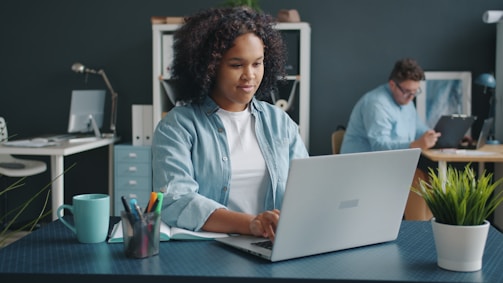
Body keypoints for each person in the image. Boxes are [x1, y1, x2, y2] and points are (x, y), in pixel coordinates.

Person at [152, 7, 309, 242]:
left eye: (257, 63)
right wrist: (252, 224)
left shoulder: (280, 123)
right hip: (209, 251)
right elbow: (177, 201)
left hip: (271, 246)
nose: (250, 75)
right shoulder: (178, 126)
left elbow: (306, 188)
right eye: (237, 65)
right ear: (210, 67)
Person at [340, 58, 441, 220]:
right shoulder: (376, 104)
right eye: (407, 91)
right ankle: (419, 230)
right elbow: (379, 147)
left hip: (389, 166)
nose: (411, 97)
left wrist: (438, 135)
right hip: (361, 168)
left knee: (429, 182)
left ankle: (422, 229)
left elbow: (420, 130)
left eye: (415, 92)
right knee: (417, 180)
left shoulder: (406, 101)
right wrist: (416, 144)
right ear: (392, 84)